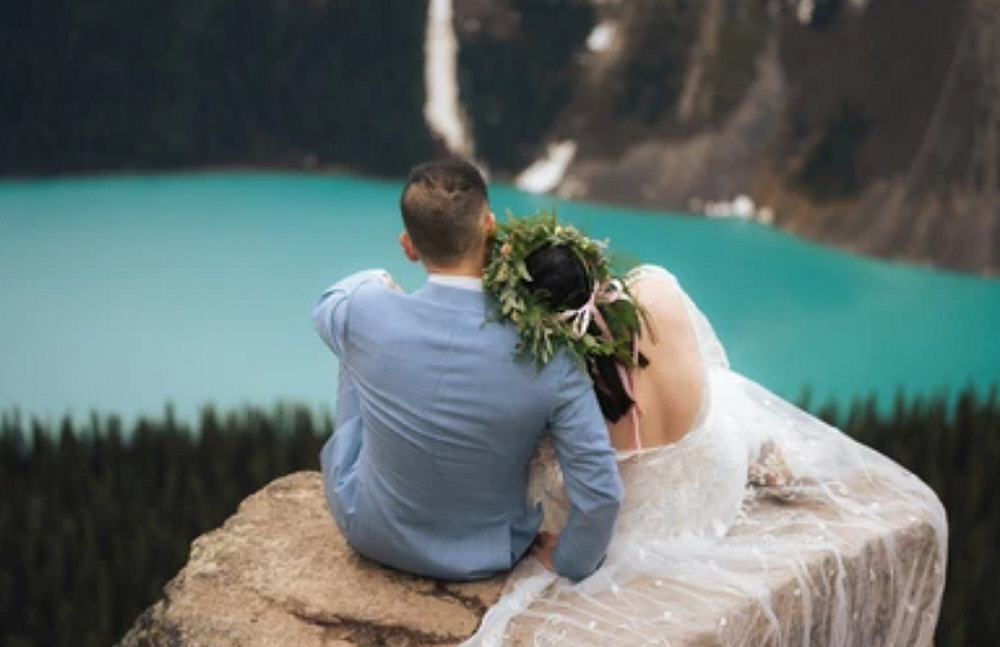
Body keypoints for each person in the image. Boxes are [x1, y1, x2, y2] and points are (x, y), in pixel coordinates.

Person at [463, 213, 947, 646]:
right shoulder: (654, 287)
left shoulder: (565, 388)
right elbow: (713, 364)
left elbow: (592, 490)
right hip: (719, 472)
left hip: (650, 527)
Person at [311, 159, 622, 582]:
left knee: (358, 347)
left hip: (370, 532)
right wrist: (571, 561)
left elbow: (332, 300)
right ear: (490, 225)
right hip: (488, 554)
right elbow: (601, 494)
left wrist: (384, 283)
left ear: (408, 246)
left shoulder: (366, 312)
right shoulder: (550, 358)